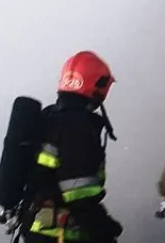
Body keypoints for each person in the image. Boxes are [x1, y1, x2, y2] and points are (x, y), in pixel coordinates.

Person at [23, 51, 123, 243]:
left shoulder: (50, 117)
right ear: (97, 84)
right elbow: (79, 195)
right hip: (63, 234)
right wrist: (105, 230)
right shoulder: (77, 127)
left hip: (37, 229)